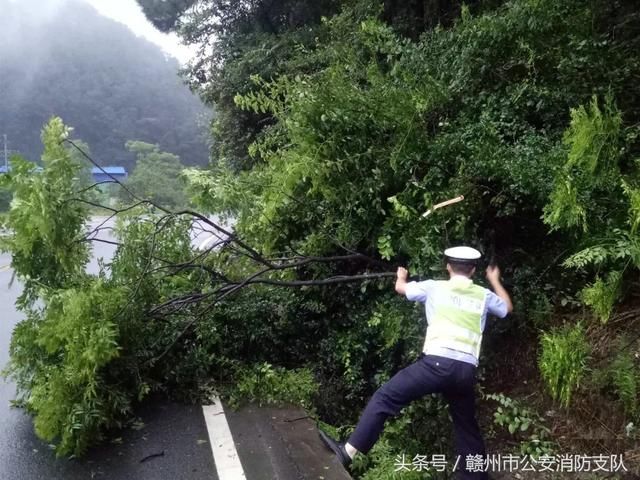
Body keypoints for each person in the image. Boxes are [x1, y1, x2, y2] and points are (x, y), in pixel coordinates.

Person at [319, 246, 513, 479]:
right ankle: (474, 476)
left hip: (436, 366)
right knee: (466, 424)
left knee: (385, 397)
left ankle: (348, 452)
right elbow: (506, 308)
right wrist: (494, 280)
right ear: (472, 270)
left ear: (448, 267)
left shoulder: (434, 287)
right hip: (465, 371)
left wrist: (401, 276)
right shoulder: (483, 295)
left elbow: (401, 289)